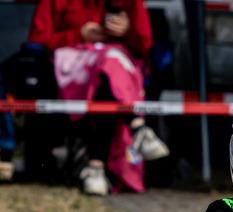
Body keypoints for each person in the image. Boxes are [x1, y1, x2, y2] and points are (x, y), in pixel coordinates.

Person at [27, 0, 169, 195]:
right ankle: (137, 127)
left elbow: (145, 48)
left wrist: (128, 31)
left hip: (116, 73)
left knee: (109, 67)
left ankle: (96, 167)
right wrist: (78, 35)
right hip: (72, 70)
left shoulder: (131, 4)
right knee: (108, 68)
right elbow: (36, 41)